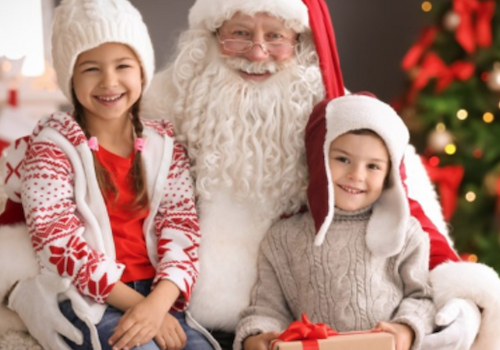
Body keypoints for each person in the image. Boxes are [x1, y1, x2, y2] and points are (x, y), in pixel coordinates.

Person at [0, 0, 499, 349]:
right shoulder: (152, 107)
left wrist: (462, 297)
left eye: (276, 37)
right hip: (169, 311)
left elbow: (406, 209)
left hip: (293, 332)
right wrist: (21, 290)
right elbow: (34, 211)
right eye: (239, 32)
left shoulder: (340, 122)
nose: (257, 53)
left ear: (300, 43)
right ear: (211, 35)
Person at [0, 0, 214, 350]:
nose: (109, 82)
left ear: (142, 70)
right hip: (88, 297)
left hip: (158, 294)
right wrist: (141, 309)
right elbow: (57, 241)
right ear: (70, 76)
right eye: (90, 69)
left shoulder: (164, 144)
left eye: (123, 65)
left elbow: (182, 228)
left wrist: (159, 303)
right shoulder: (51, 145)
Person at [236, 93, 435, 350]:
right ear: (318, 159)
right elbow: (268, 308)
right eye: (343, 159)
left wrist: (406, 329)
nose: (356, 175)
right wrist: (257, 336)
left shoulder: (405, 233)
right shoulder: (283, 238)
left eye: (373, 166)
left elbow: (423, 298)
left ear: (389, 175)